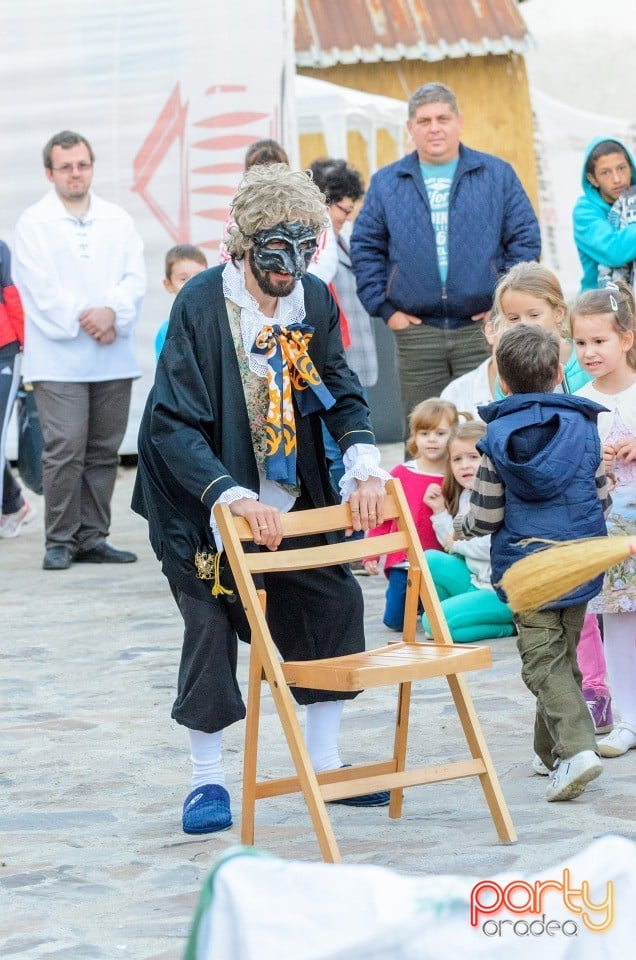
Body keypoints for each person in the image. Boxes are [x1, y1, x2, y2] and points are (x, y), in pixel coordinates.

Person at [132, 163, 391, 835]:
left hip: (290, 492)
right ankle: (207, 779)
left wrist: (363, 464)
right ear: (244, 245)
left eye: (306, 251)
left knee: (333, 598)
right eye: (277, 254)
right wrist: (233, 497)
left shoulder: (312, 298)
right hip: (201, 498)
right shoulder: (200, 305)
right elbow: (170, 423)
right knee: (211, 627)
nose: (291, 269)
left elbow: (338, 385)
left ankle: (326, 762)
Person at [455, 323, 609, 802]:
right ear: (560, 373)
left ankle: (581, 749)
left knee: (542, 663)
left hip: (528, 568)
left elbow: (484, 516)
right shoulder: (585, 427)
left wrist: (459, 529)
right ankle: (554, 755)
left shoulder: (496, 439)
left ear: (502, 381)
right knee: (561, 657)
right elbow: (601, 496)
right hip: (580, 560)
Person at [350, 81, 541, 438]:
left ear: (459, 122)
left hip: (482, 329)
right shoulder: (388, 182)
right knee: (423, 436)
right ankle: (422, 496)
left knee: (486, 428)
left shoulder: (496, 174)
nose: (434, 127)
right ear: (410, 128)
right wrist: (386, 311)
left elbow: (525, 240)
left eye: (442, 118)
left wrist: (504, 305)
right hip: (415, 332)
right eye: (424, 120)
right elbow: (365, 248)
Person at [13, 130, 145, 571]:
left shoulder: (117, 219)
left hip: (113, 354)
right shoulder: (34, 222)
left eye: (82, 164)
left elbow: (134, 278)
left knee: (104, 450)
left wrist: (114, 312)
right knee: (65, 447)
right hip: (59, 357)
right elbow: (38, 288)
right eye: (66, 166)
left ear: (91, 167)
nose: (75, 173)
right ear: (49, 172)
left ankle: (93, 536)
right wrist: (87, 318)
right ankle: (60, 539)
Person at [492, 261, 613, 734]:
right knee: (558, 633)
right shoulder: (509, 374)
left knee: (577, 624)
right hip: (540, 526)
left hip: (575, 521)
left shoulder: (579, 378)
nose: (522, 327)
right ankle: (564, 736)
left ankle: (593, 694)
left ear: (558, 314)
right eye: (512, 320)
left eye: (532, 316)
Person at [573, 281, 636, 758]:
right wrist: (597, 458)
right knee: (617, 621)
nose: (589, 352)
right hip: (611, 528)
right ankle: (629, 718)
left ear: (627, 339)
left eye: (600, 341)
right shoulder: (579, 401)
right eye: (580, 342)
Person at [308, 158, 378, 511]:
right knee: (343, 449)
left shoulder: (339, 240)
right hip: (335, 363)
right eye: (341, 210)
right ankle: (347, 533)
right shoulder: (317, 248)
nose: (345, 218)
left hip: (352, 359)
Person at [363, 398, 457, 631]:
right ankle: (413, 603)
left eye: (440, 433)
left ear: (453, 436)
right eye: (425, 433)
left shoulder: (454, 476)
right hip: (402, 561)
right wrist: (371, 553)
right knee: (394, 622)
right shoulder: (400, 473)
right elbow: (382, 519)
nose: (432, 439)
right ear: (414, 436)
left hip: (439, 560)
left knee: (438, 617)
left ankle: (424, 603)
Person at [420, 420, 515, 643]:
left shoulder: (500, 495)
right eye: (457, 459)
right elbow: (450, 542)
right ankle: (448, 619)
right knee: (428, 560)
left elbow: (491, 548)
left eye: (473, 457)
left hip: (501, 593)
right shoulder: (466, 494)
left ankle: (510, 627)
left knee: (433, 625)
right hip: (476, 581)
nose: (465, 465)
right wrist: (440, 511)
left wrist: (457, 543)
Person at [0, 239, 34, 538]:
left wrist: (27, 350)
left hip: (4, 352)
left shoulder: (0, 248)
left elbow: (11, 295)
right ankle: (13, 504)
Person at [573, 138, 636, 291]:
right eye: (605, 172)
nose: (617, 179)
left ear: (631, 168)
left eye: (622, 168)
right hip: (598, 306)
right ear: (592, 179)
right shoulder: (584, 211)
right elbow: (614, 251)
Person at [154, 244, 208, 359]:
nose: (193, 284)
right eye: (183, 279)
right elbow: (166, 373)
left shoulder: (217, 323)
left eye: (200, 276)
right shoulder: (166, 332)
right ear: (168, 285)